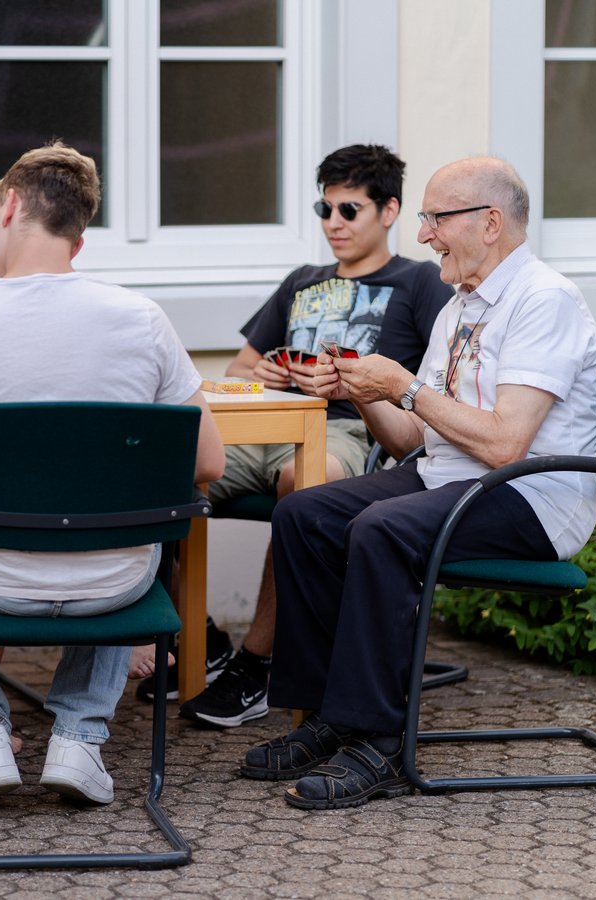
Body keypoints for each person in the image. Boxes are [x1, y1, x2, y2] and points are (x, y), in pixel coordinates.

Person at [0, 142, 225, 808]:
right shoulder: (143, 320)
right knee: (125, 533)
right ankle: (80, 739)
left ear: (10, 207)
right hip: (118, 587)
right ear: (78, 242)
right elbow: (208, 464)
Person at [245, 156, 596, 809]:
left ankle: (379, 742)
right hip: (448, 474)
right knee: (305, 514)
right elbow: (412, 439)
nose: (425, 234)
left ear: (489, 222)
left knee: (382, 530)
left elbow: (503, 443)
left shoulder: (543, 301)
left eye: (436, 218)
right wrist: (366, 390)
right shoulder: (461, 303)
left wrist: (402, 385)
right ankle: (332, 714)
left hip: (531, 493)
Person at [172, 145, 454, 728]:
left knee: (305, 485)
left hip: (355, 432)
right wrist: (268, 373)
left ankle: (257, 663)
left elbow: (440, 376)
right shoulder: (302, 281)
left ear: (390, 210)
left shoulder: (420, 281)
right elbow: (238, 370)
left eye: (349, 210)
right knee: (162, 475)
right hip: (266, 428)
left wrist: (356, 384)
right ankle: (197, 638)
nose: (332, 224)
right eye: (323, 209)